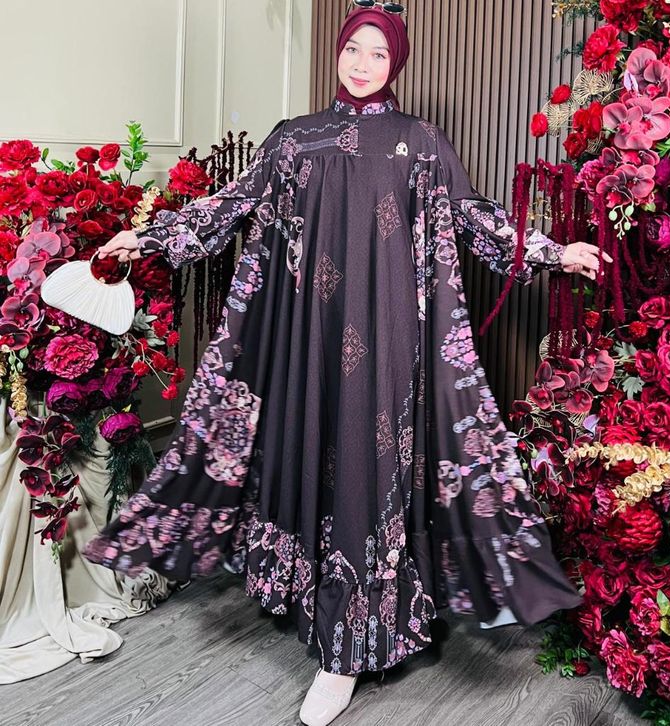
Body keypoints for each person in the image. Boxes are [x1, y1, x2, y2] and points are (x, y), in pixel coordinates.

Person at [85, 5, 609, 725]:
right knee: (303, 453)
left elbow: (473, 217)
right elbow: (227, 207)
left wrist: (555, 252)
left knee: (367, 465)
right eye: (352, 48)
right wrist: (144, 239)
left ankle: (346, 649)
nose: (362, 64)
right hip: (304, 338)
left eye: (378, 53)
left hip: (389, 339)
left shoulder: (420, 143)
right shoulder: (293, 139)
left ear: (397, 63)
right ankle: (305, 592)